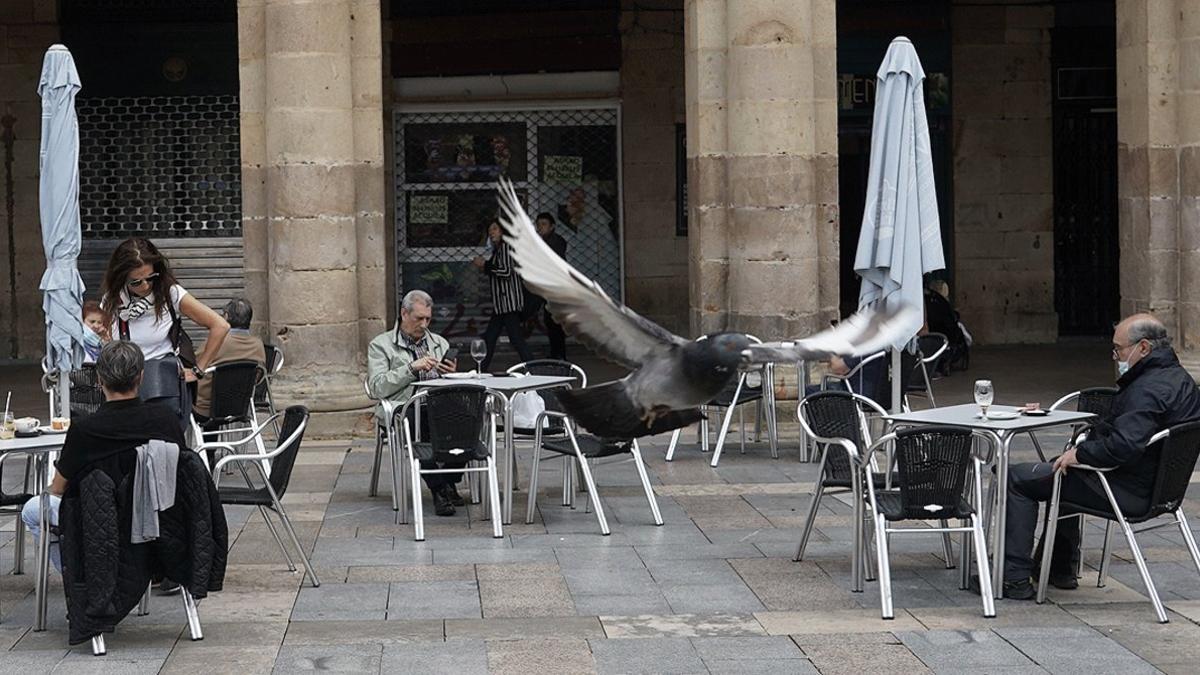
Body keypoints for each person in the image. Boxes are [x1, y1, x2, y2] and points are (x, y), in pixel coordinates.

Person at [999, 314, 1200, 599]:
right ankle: (1058, 567)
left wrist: (1080, 452)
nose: (1115, 356)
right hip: (1160, 490)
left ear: (1143, 348)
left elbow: (1122, 445)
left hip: (1125, 491)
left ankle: (1013, 579)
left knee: (1017, 477)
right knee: (1062, 469)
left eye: (1119, 349)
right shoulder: (1179, 380)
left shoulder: (1148, 389)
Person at [21, 340, 188, 574]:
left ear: (99, 380)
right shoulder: (167, 420)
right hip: (156, 520)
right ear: (141, 377)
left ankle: (78, 577)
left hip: (99, 523)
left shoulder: (85, 429)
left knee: (31, 509)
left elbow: (58, 488)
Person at [100, 238, 230, 432]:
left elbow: (220, 326)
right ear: (122, 278)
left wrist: (198, 370)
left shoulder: (171, 294)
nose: (145, 286)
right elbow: (108, 343)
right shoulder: (112, 300)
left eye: (150, 278)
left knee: (165, 446)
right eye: (136, 282)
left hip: (163, 386)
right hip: (125, 387)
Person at [366, 290, 464, 516]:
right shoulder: (381, 345)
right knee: (415, 425)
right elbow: (377, 387)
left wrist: (450, 374)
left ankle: (450, 478)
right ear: (404, 313)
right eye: (419, 318)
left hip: (438, 406)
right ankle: (439, 489)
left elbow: (449, 382)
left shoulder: (439, 342)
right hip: (403, 407)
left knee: (470, 416)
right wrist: (411, 368)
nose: (424, 323)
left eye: (428, 318)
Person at [192, 298, 267, 421]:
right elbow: (258, 378)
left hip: (205, 409)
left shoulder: (215, 342)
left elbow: (195, 364)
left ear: (226, 316)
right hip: (240, 408)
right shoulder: (258, 345)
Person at [473, 220, 533, 371]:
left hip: (509, 303)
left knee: (515, 339)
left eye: (495, 229)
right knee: (491, 337)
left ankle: (533, 368)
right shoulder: (498, 249)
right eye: (490, 230)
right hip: (502, 305)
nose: (491, 232)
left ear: (503, 231)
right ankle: (481, 369)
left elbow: (506, 271)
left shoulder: (506, 247)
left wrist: (485, 265)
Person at [522, 212, 568, 360]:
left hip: (555, 288)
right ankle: (556, 353)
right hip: (545, 288)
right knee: (550, 322)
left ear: (552, 226)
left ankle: (559, 354)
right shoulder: (540, 242)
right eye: (538, 224)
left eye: (543, 224)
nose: (540, 227)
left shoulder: (556, 242)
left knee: (555, 322)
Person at [81, 299, 109, 363]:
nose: (96, 326)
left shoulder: (101, 343)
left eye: (99, 322)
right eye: (92, 322)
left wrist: (106, 343)